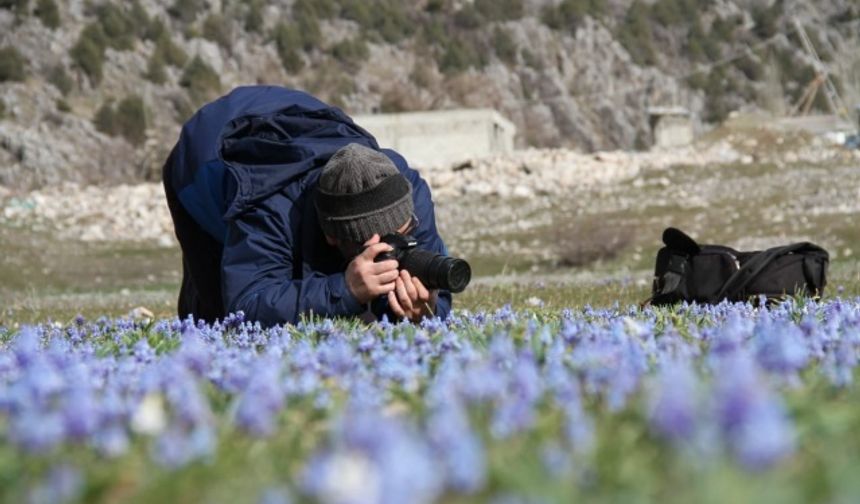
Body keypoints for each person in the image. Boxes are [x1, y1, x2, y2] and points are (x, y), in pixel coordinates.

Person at [162, 85, 452, 327]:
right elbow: (247, 304)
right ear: (332, 236)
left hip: (296, 125)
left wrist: (421, 311)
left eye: (402, 234)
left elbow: (431, 288)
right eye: (380, 247)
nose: (394, 249)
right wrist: (345, 290)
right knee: (215, 317)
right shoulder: (267, 206)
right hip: (203, 162)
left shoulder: (405, 188)